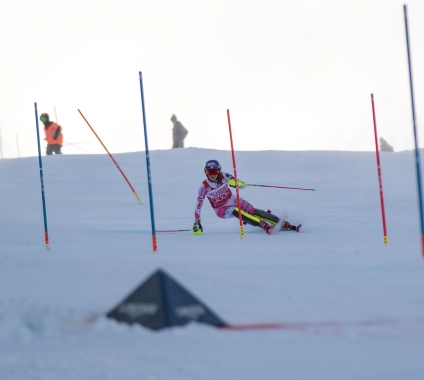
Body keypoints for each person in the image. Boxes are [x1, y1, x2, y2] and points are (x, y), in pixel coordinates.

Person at [192, 159, 301, 235]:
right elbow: (198, 206)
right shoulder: (203, 187)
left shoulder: (225, 176)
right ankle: (263, 225)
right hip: (221, 209)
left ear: (219, 171)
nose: (212, 174)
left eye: (214, 171)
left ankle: (283, 224)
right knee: (236, 211)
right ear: (206, 173)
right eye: (209, 171)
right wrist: (197, 221)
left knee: (253, 211)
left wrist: (238, 184)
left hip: (232, 199)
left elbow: (241, 185)